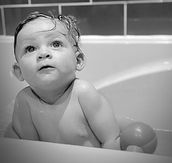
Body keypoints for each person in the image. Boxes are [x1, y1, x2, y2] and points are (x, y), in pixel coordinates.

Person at [4, 12, 157, 152]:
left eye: (56, 44)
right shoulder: (24, 101)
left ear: (78, 60)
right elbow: (30, 150)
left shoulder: (83, 93)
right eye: (30, 48)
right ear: (19, 71)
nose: (43, 53)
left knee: (136, 146)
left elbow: (111, 139)